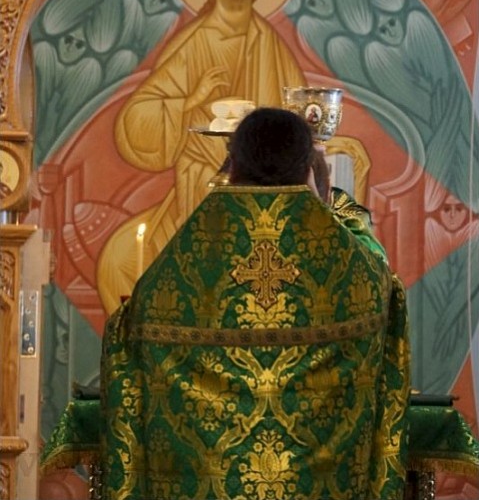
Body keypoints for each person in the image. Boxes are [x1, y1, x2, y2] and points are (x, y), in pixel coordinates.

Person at [100, 108, 410, 500]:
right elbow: (387, 300)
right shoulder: (358, 274)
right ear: (309, 171)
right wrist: (325, 206)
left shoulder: (176, 272)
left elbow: (127, 348)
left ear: (232, 168)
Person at [97, 0, 305, 315]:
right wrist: (188, 102)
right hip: (199, 190)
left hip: (266, 197)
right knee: (123, 266)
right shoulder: (194, 43)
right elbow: (139, 116)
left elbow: (300, 124)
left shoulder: (271, 46)